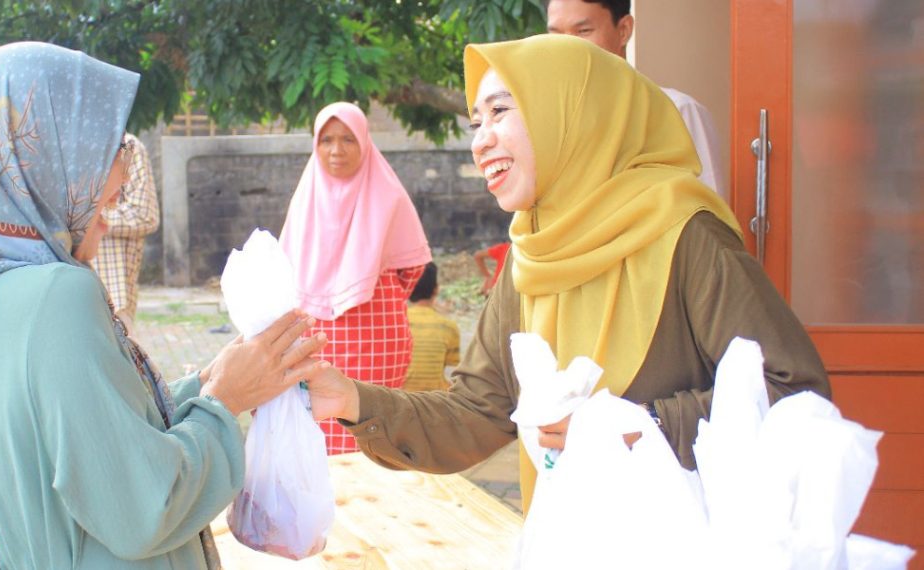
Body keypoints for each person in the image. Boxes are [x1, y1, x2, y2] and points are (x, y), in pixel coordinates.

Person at [304, 35, 830, 514]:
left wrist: (633, 428)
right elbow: (476, 412)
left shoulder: (686, 236)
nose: (479, 141)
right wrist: (351, 400)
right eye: (474, 122)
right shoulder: (532, 252)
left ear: (572, 115)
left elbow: (795, 395)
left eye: (500, 112)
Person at [0, 42, 328, 569]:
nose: (120, 168)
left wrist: (206, 381)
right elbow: (143, 508)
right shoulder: (56, 296)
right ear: (30, 156)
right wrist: (224, 401)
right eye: (104, 142)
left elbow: (93, 436)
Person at [279, 102, 432, 454]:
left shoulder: (389, 196)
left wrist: (374, 295)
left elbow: (412, 270)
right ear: (315, 145)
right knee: (319, 440)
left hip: (378, 336)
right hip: (317, 340)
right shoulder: (305, 201)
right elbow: (287, 276)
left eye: (348, 139)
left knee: (375, 434)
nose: (336, 150)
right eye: (327, 140)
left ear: (364, 142)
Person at [546, 0, 727, 200]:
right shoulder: (550, 122)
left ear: (624, 30)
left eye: (583, 31)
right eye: (556, 34)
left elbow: (711, 218)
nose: (567, 46)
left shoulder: (677, 111)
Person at [91, 132, 160, 333]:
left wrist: (90, 216)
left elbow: (145, 215)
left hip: (115, 291)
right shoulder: (55, 141)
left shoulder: (127, 145)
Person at [403, 262, 461, 392]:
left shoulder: (397, 323)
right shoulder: (448, 326)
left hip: (399, 395)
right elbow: (452, 369)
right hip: (434, 399)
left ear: (408, 288)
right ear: (436, 290)